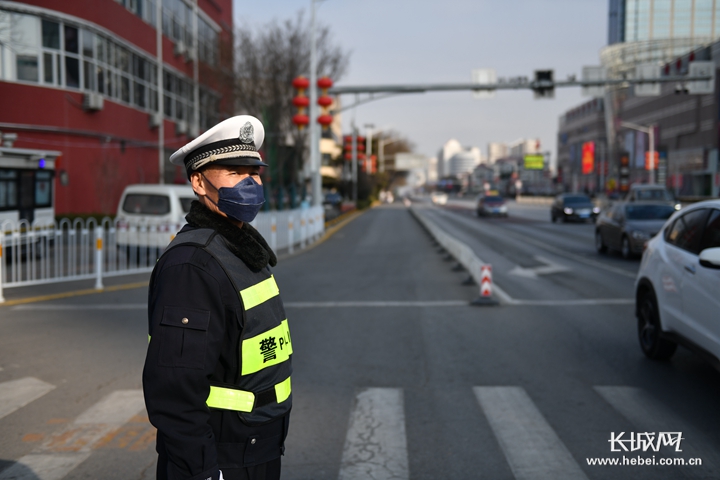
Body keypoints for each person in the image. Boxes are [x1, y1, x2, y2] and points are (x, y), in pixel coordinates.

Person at [143, 115, 292, 480]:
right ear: (198, 181)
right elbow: (175, 389)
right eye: (235, 172)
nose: (250, 183)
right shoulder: (193, 266)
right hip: (220, 457)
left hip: (254, 446)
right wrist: (205, 472)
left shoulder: (240, 249)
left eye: (254, 173)